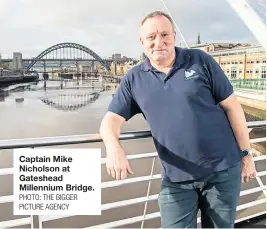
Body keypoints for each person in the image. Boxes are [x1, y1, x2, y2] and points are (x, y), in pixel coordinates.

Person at [99, 10, 257, 228]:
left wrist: (246, 155)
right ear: (142, 41)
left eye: (164, 35)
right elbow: (110, 121)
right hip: (176, 180)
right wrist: (113, 147)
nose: (159, 42)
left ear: (174, 35)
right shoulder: (134, 79)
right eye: (151, 37)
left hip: (222, 172)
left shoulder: (200, 60)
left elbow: (233, 108)